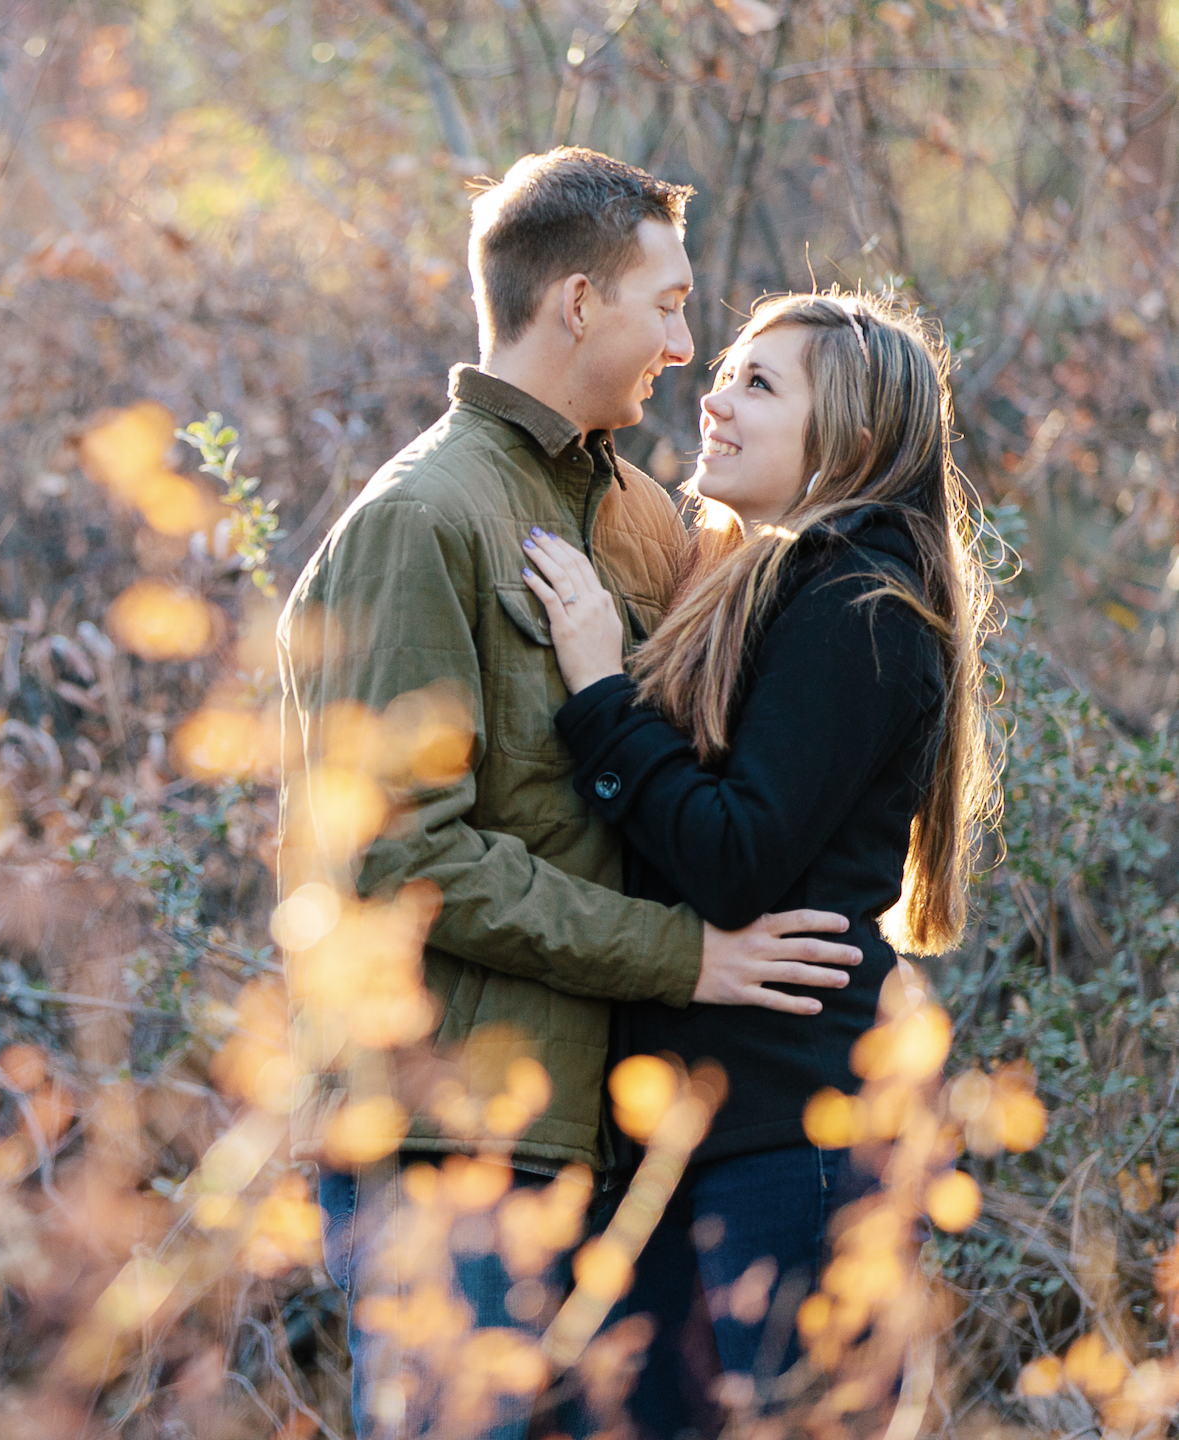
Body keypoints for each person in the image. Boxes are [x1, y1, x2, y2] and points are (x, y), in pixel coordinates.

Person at [276, 153, 863, 1439]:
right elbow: (401, 862)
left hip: (601, 1149)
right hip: (451, 1152)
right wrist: (689, 958)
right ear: (581, 302)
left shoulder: (640, 516)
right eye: (667, 305)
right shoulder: (422, 520)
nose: (684, 343)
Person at [519, 290, 994, 1433]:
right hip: (704, 1128)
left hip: (797, 1135)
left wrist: (597, 692)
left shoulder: (861, 598)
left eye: (760, 385)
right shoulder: (758, 579)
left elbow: (736, 857)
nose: (715, 400)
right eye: (729, 371)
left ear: (855, 440)